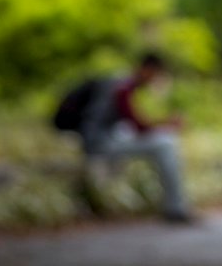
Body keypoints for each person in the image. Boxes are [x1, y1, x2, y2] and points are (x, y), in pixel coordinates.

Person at [79, 52, 194, 223]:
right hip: (99, 143)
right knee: (165, 143)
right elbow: (138, 125)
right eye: (156, 75)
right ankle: (176, 209)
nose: (155, 80)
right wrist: (168, 124)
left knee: (161, 140)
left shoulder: (120, 82)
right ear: (147, 70)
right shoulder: (123, 87)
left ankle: (175, 206)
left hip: (104, 137)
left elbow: (133, 123)